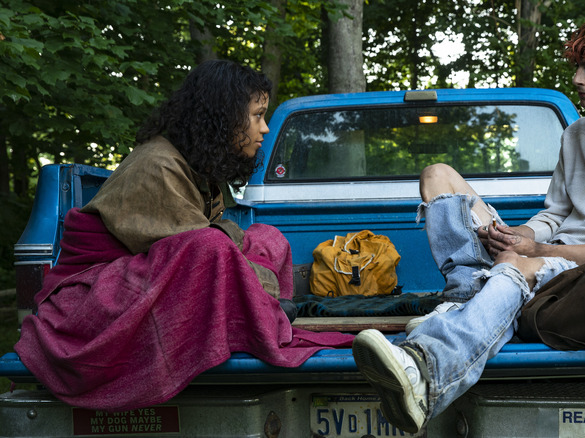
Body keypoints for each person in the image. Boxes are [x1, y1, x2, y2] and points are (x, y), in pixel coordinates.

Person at [352, 9, 585, 433]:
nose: (578, 79)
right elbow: (555, 213)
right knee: (437, 175)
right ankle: (471, 295)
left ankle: (426, 370)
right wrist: (519, 234)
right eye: (577, 67)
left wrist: (537, 251)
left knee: (519, 264)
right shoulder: (577, 134)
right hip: (544, 255)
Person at [14, 59, 353, 411]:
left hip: (144, 280)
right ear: (224, 118)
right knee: (210, 248)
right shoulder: (158, 166)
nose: (264, 129)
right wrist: (259, 290)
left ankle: (259, 316)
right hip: (91, 303)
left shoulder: (197, 167)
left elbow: (224, 239)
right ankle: (261, 317)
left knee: (266, 236)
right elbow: (205, 251)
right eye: (256, 116)